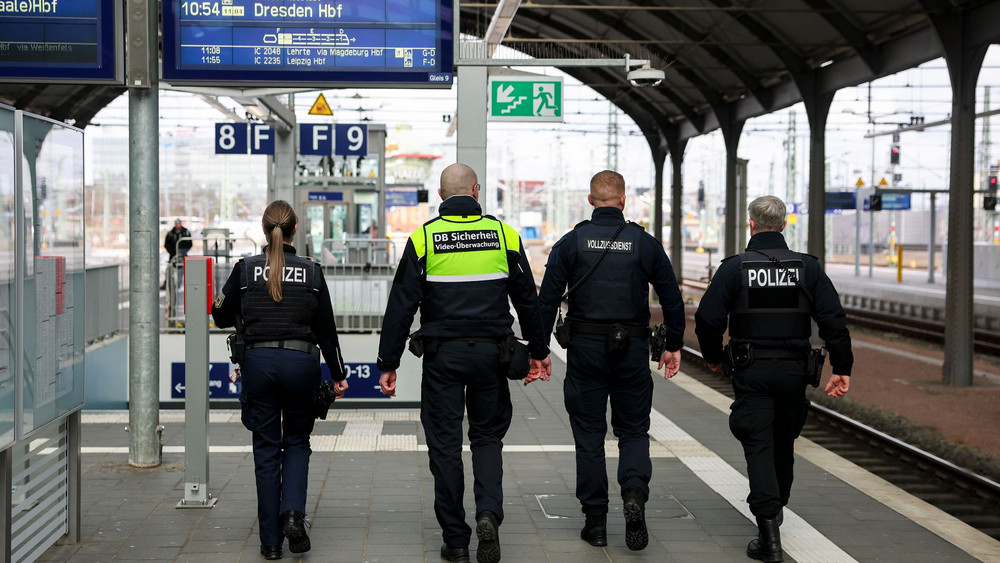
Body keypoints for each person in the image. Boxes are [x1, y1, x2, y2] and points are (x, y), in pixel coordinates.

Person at [376, 163, 551, 563]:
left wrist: (389, 361)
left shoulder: (423, 238)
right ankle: (488, 513)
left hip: (443, 358)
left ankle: (455, 539)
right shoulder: (504, 235)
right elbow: (528, 300)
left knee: (445, 445)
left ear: (441, 195)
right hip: (493, 356)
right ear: (476, 190)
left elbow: (401, 305)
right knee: (487, 438)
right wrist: (539, 351)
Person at [694, 195, 852, 563]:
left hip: (752, 371)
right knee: (783, 441)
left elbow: (707, 319)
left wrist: (714, 357)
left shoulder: (734, 268)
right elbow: (833, 319)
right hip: (795, 370)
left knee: (758, 443)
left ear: (751, 224)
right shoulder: (808, 268)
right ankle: (777, 505)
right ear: (783, 225)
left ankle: (768, 531)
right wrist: (842, 367)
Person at [536, 170, 685, 551]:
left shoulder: (571, 242)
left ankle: (596, 522)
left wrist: (539, 351)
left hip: (585, 350)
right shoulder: (644, 243)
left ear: (590, 201)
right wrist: (673, 344)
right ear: (623, 200)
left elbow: (547, 300)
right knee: (633, 431)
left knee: (589, 436)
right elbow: (671, 296)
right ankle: (634, 493)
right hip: (631, 351)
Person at [212, 200, 348, 561]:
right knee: (298, 442)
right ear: (295, 229)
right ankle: (292, 514)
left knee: (267, 449)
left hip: (259, 365)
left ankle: (270, 543)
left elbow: (219, 314)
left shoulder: (245, 270)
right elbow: (327, 330)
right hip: (302, 364)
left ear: (264, 229)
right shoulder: (312, 272)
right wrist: (338, 374)